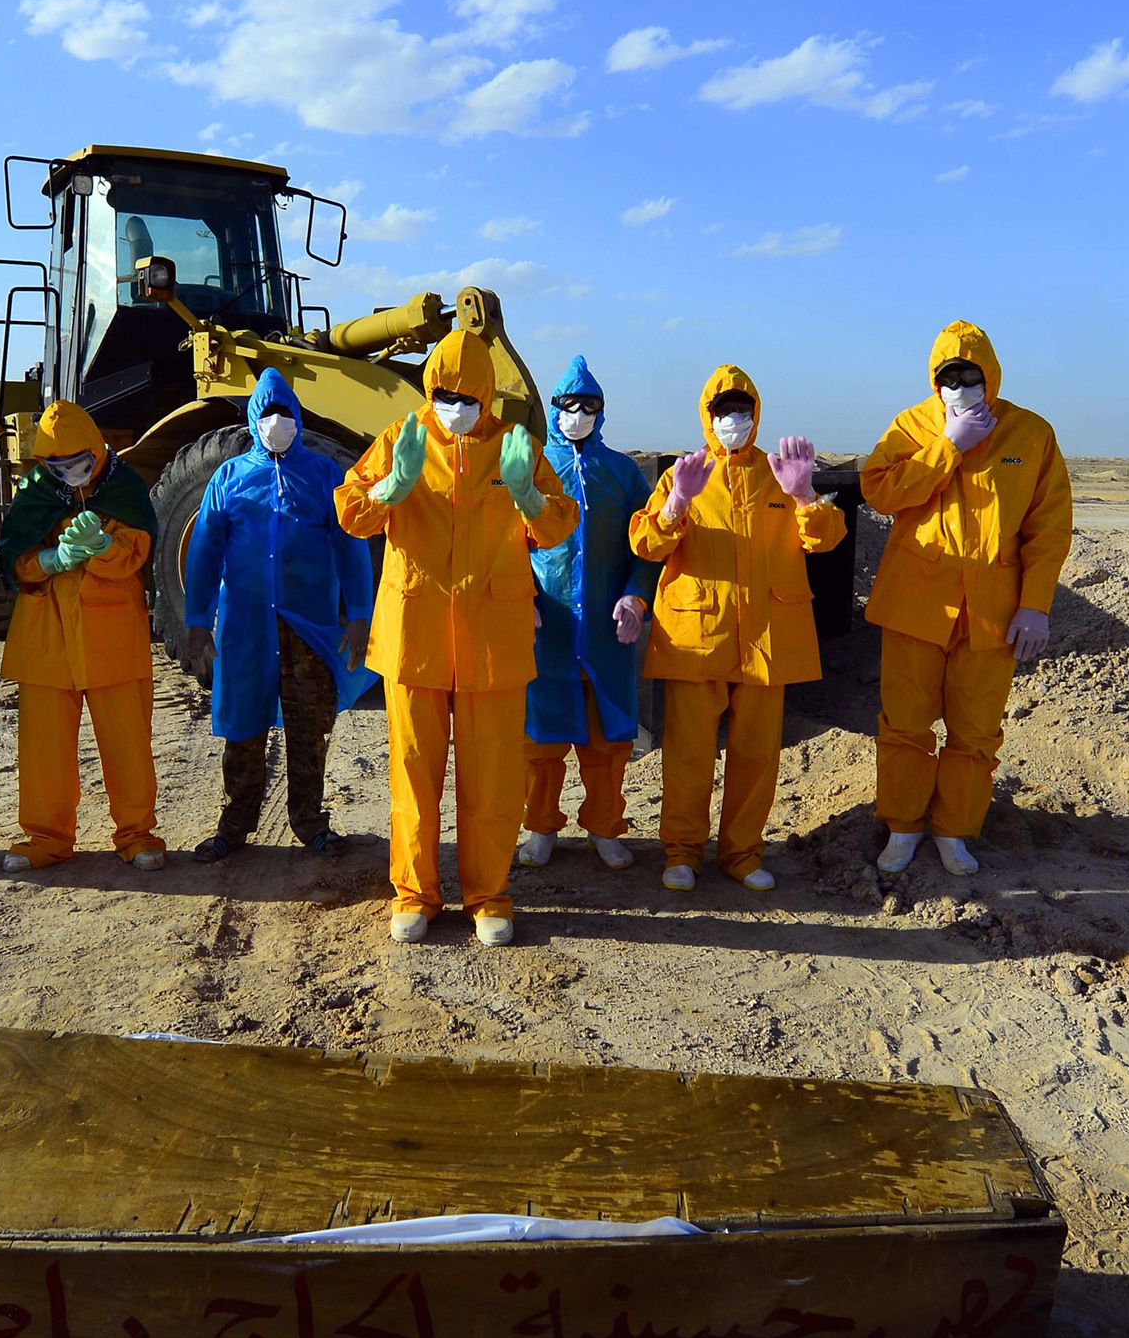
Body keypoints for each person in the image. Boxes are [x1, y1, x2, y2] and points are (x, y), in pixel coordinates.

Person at [335, 329, 578, 947]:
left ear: (487, 395)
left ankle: (489, 895)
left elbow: (557, 526)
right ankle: (414, 893)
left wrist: (524, 495)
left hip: (491, 638)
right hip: (414, 635)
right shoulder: (401, 437)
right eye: (444, 392)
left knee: (492, 776)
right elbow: (350, 510)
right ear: (430, 386)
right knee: (413, 773)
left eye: (468, 395)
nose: (455, 405)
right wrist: (391, 488)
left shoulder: (513, 445)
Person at [861, 321, 1071, 877]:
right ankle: (904, 826)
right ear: (934, 379)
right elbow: (879, 490)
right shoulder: (911, 425)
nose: (959, 384)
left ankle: (954, 830)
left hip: (992, 611)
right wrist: (947, 445)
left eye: (969, 374)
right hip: (915, 604)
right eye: (947, 376)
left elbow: (1048, 529)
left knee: (976, 730)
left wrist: (1036, 604)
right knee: (905, 723)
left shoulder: (1031, 434)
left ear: (990, 375)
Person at [631, 366, 847, 892]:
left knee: (756, 755)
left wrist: (803, 496)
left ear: (756, 414)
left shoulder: (780, 473)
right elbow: (645, 545)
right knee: (688, 755)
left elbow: (826, 541)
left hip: (764, 639)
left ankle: (743, 854)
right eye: (723, 411)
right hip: (696, 638)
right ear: (707, 417)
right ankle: (681, 853)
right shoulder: (684, 473)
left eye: (742, 410)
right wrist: (678, 503)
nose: (734, 420)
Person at [184, 369, 376, 860]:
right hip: (246, 625)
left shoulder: (325, 475)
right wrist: (196, 621)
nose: (276, 421)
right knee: (242, 723)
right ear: (253, 418)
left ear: (297, 417)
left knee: (310, 724)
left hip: (307, 624)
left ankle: (311, 822)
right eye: (267, 413)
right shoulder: (228, 478)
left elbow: (351, 549)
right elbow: (204, 553)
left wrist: (358, 615)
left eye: (284, 413)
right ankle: (234, 825)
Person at [0, 400, 167, 873]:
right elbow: (15, 559)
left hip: (111, 634)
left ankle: (137, 834)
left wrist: (104, 548)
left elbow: (138, 555)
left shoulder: (125, 487)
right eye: (56, 465)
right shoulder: (34, 490)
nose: (68, 472)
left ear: (95, 450)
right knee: (42, 749)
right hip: (46, 636)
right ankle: (47, 838)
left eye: (77, 462)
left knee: (127, 742)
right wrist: (48, 561)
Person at [517, 355, 661, 872]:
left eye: (589, 406)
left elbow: (648, 546)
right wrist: (523, 597)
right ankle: (539, 827)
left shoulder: (622, 472)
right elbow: (509, 543)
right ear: (554, 409)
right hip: (548, 629)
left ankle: (604, 827)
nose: (578, 414)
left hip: (605, 628)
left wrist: (636, 597)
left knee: (608, 740)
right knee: (541, 738)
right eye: (569, 405)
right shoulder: (532, 468)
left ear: (602, 413)